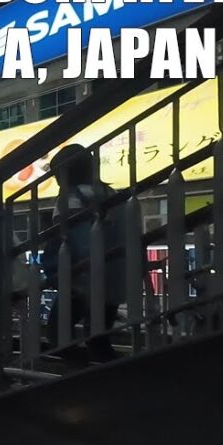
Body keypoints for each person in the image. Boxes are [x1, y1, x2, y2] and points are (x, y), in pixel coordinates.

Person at [45, 144, 127, 363]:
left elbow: (79, 243)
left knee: (57, 333)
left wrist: (75, 278)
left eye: (56, 176)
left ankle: (78, 377)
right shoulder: (112, 193)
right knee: (98, 337)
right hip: (115, 276)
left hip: (83, 279)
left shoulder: (70, 199)